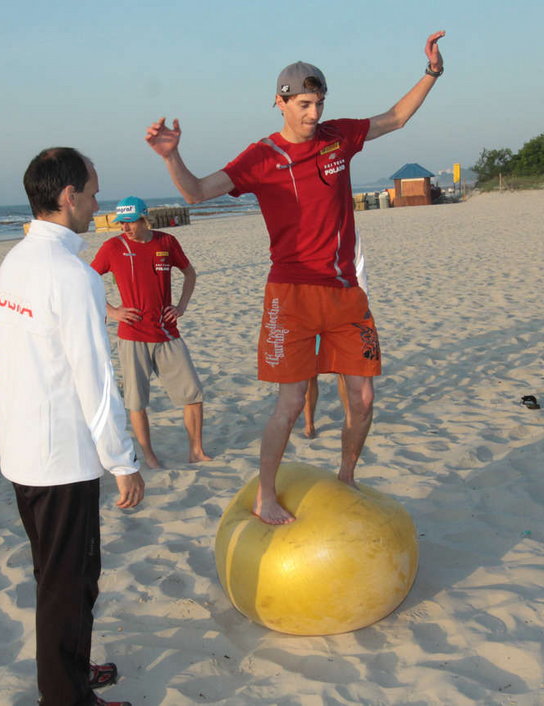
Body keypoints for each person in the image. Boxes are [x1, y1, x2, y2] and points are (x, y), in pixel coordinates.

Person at [145, 31, 446, 524]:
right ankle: (265, 494)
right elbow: (197, 192)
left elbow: (394, 118)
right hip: (290, 294)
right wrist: (170, 157)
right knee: (288, 403)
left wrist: (432, 72)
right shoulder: (260, 157)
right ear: (280, 102)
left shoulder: (338, 137)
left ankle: (346, 479)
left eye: (320, 103)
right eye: (305, 103)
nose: (314, 114)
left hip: (347, 292)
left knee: (364, 398)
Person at [0, 147, 144, 706]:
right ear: (68, 197)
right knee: (71, 582)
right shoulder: (70, 273)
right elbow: (96, 380)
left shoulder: (16, 259)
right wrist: (123, 461)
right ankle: (65, 697)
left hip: (24, 449)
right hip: (60, 459)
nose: (98, 202)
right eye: (93, 191)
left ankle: (70, 673)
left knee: (56, 576)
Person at [91, 196, 211, 469]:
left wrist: (181, 306)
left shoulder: (166, 242)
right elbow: (86, 280)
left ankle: (196, 450)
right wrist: (112, 311)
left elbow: (190, 273)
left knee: (193, 394)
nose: (125, 228)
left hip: (167, 332)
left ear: (145, 219)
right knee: (136, 401)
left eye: (130, 222)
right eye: (121, 223)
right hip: (132, 335)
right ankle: (150, 456)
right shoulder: (112, 247)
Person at [303, 231, 369, 438]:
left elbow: (359, 268)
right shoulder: (307, 233)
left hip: (342, 307)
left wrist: (362, 303)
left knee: (343, 370)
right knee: (309, 372)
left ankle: (349, 416)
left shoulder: (350, 233)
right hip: (311, 308)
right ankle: (309, 423)